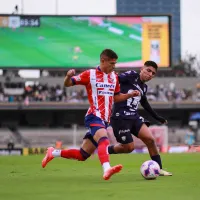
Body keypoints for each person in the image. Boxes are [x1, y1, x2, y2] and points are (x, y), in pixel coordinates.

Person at [41, 49, 140, 180]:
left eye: (115, 63)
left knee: (83, 155)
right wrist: (67, 76)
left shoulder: (114, 77)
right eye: (112, 63)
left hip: (105, 119)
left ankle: (53, 152)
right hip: (94, 115)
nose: (114, 66)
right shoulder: (90, 74)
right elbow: (68, 83)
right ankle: (107, 169)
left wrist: (129, 95)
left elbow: (115, 97)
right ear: (103, 61)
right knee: (104, 139)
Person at [107, 60, 172, 176]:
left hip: (134, 117)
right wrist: (113, 76)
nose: (150, 74)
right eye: (148, 70)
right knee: (128, 148)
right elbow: (116, 79)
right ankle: (106, 150)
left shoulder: (144, 87)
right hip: (120, 117)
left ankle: (159, 168)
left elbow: (145, 104)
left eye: (153, 73)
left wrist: (158, 118)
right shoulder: (131, 75)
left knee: (150, 140)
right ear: (142, 68)